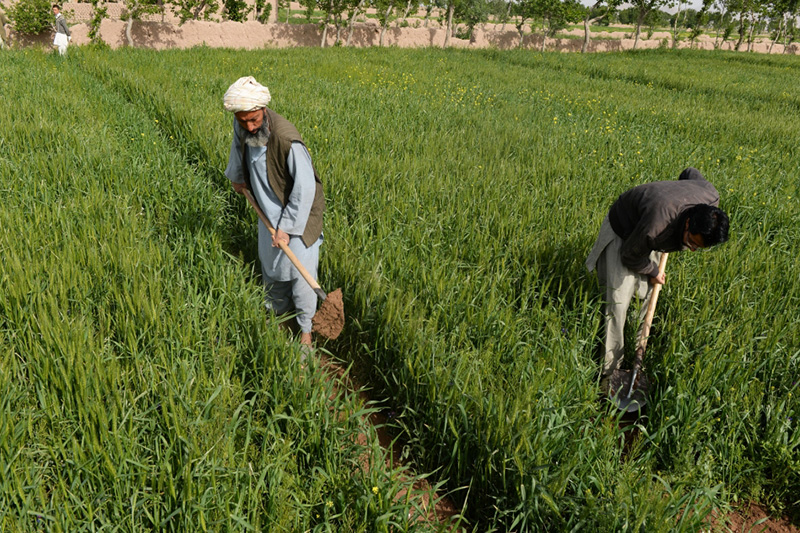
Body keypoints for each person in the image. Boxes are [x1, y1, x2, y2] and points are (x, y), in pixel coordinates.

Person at [586, 167, 729, 383]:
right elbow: (630, 255)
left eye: (698, 247)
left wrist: (675, 192)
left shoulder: (710, 196)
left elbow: (689, 173)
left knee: (645, 292)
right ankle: (610, 372)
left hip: (654, 228)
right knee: (617, 302)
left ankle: (637, 354)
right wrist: (653, 271)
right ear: (688, 223)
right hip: (624, 230)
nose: (691, 249)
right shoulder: (656, 224)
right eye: (691, 242)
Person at [223, 76, 325, 349]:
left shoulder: (286, 138)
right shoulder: (242, 123)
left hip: (299, 217)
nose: (250, 126)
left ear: (264, 111)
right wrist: (237, 176)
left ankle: (305, 332)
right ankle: (278, 317)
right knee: (272, 268)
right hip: (267, 209)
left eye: (254, 120)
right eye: (243, 120)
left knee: (302, 277)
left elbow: (305, 189)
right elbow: (237, 149)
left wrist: (287, 227)